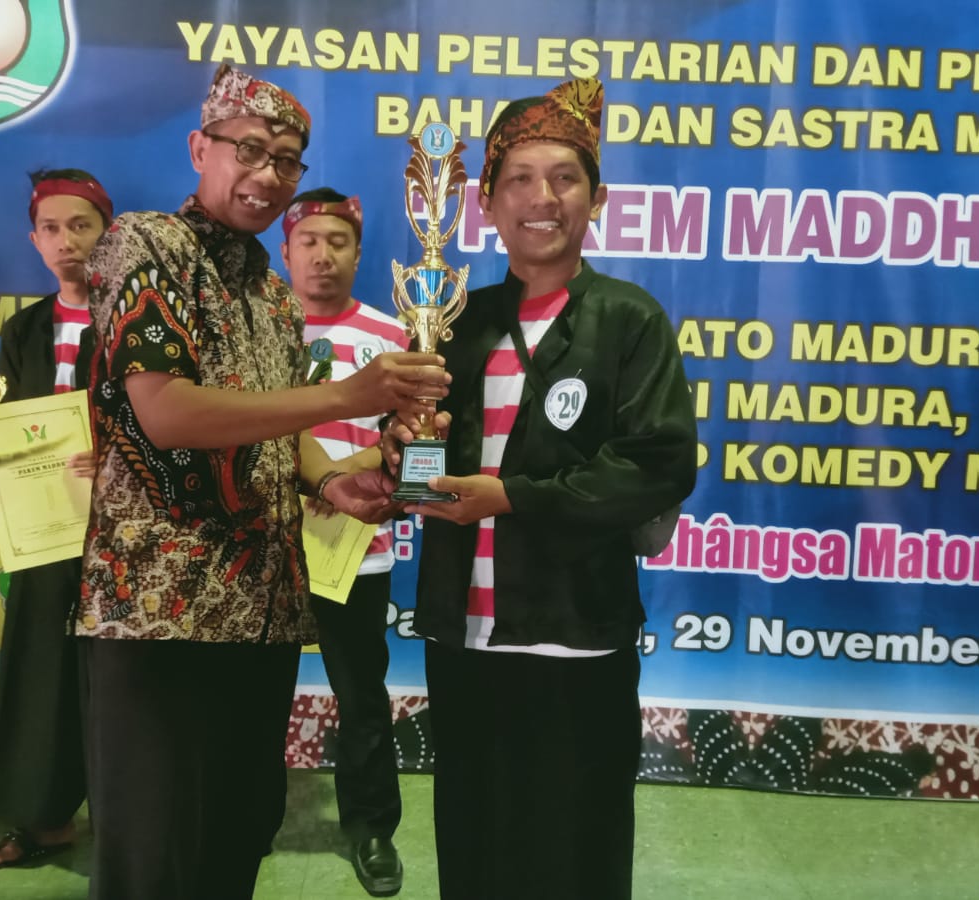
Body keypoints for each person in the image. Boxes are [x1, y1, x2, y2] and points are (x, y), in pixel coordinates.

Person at [75, 63, 447, 899]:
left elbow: (279, 427)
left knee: (237, 835)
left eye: (286, 160)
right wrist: (348, 396)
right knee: (155, 853)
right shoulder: (145, 245)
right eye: (248, 149)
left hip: (262, 610)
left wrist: (330, 483)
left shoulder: (274, 299)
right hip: (160, 611)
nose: (268, 174)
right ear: (199, 148)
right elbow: (166, 411)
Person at [383, 78, 697, 900]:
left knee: (573, 849)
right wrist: (402, 459)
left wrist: (511, 497)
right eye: (519, 178)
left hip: (574, 634)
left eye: (565, 177)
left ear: (598, 198)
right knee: (474, 840)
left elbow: (659, 464)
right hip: (463, 634)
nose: (542, 198)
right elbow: (420, 464)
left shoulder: (628, 319)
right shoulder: (455, 320)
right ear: (486, 201)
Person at [0, 167, 110, 872]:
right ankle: (41, 820)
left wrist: (116, 454)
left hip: (119, 533)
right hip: (42, 531)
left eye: (80, 226)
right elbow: (6, 419)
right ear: (33, 241)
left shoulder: (137, 324)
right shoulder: (22, 330)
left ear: (107, 233)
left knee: (117, 682)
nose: (66, 241)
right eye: (51, 229)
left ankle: (127, 827)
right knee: (39, 672)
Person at [281, 187, 407, 895]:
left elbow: (414, 447)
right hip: (266, 547)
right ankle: (249, 816)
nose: (322, 255)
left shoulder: (393, 337)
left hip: (355, 546)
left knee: (360, 694)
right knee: (252, 693)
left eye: (338, 242)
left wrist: (372, 483)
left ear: (359, 253)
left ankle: (371, 829)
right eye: (309, 241)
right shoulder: (260, 329)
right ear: (285, 251)